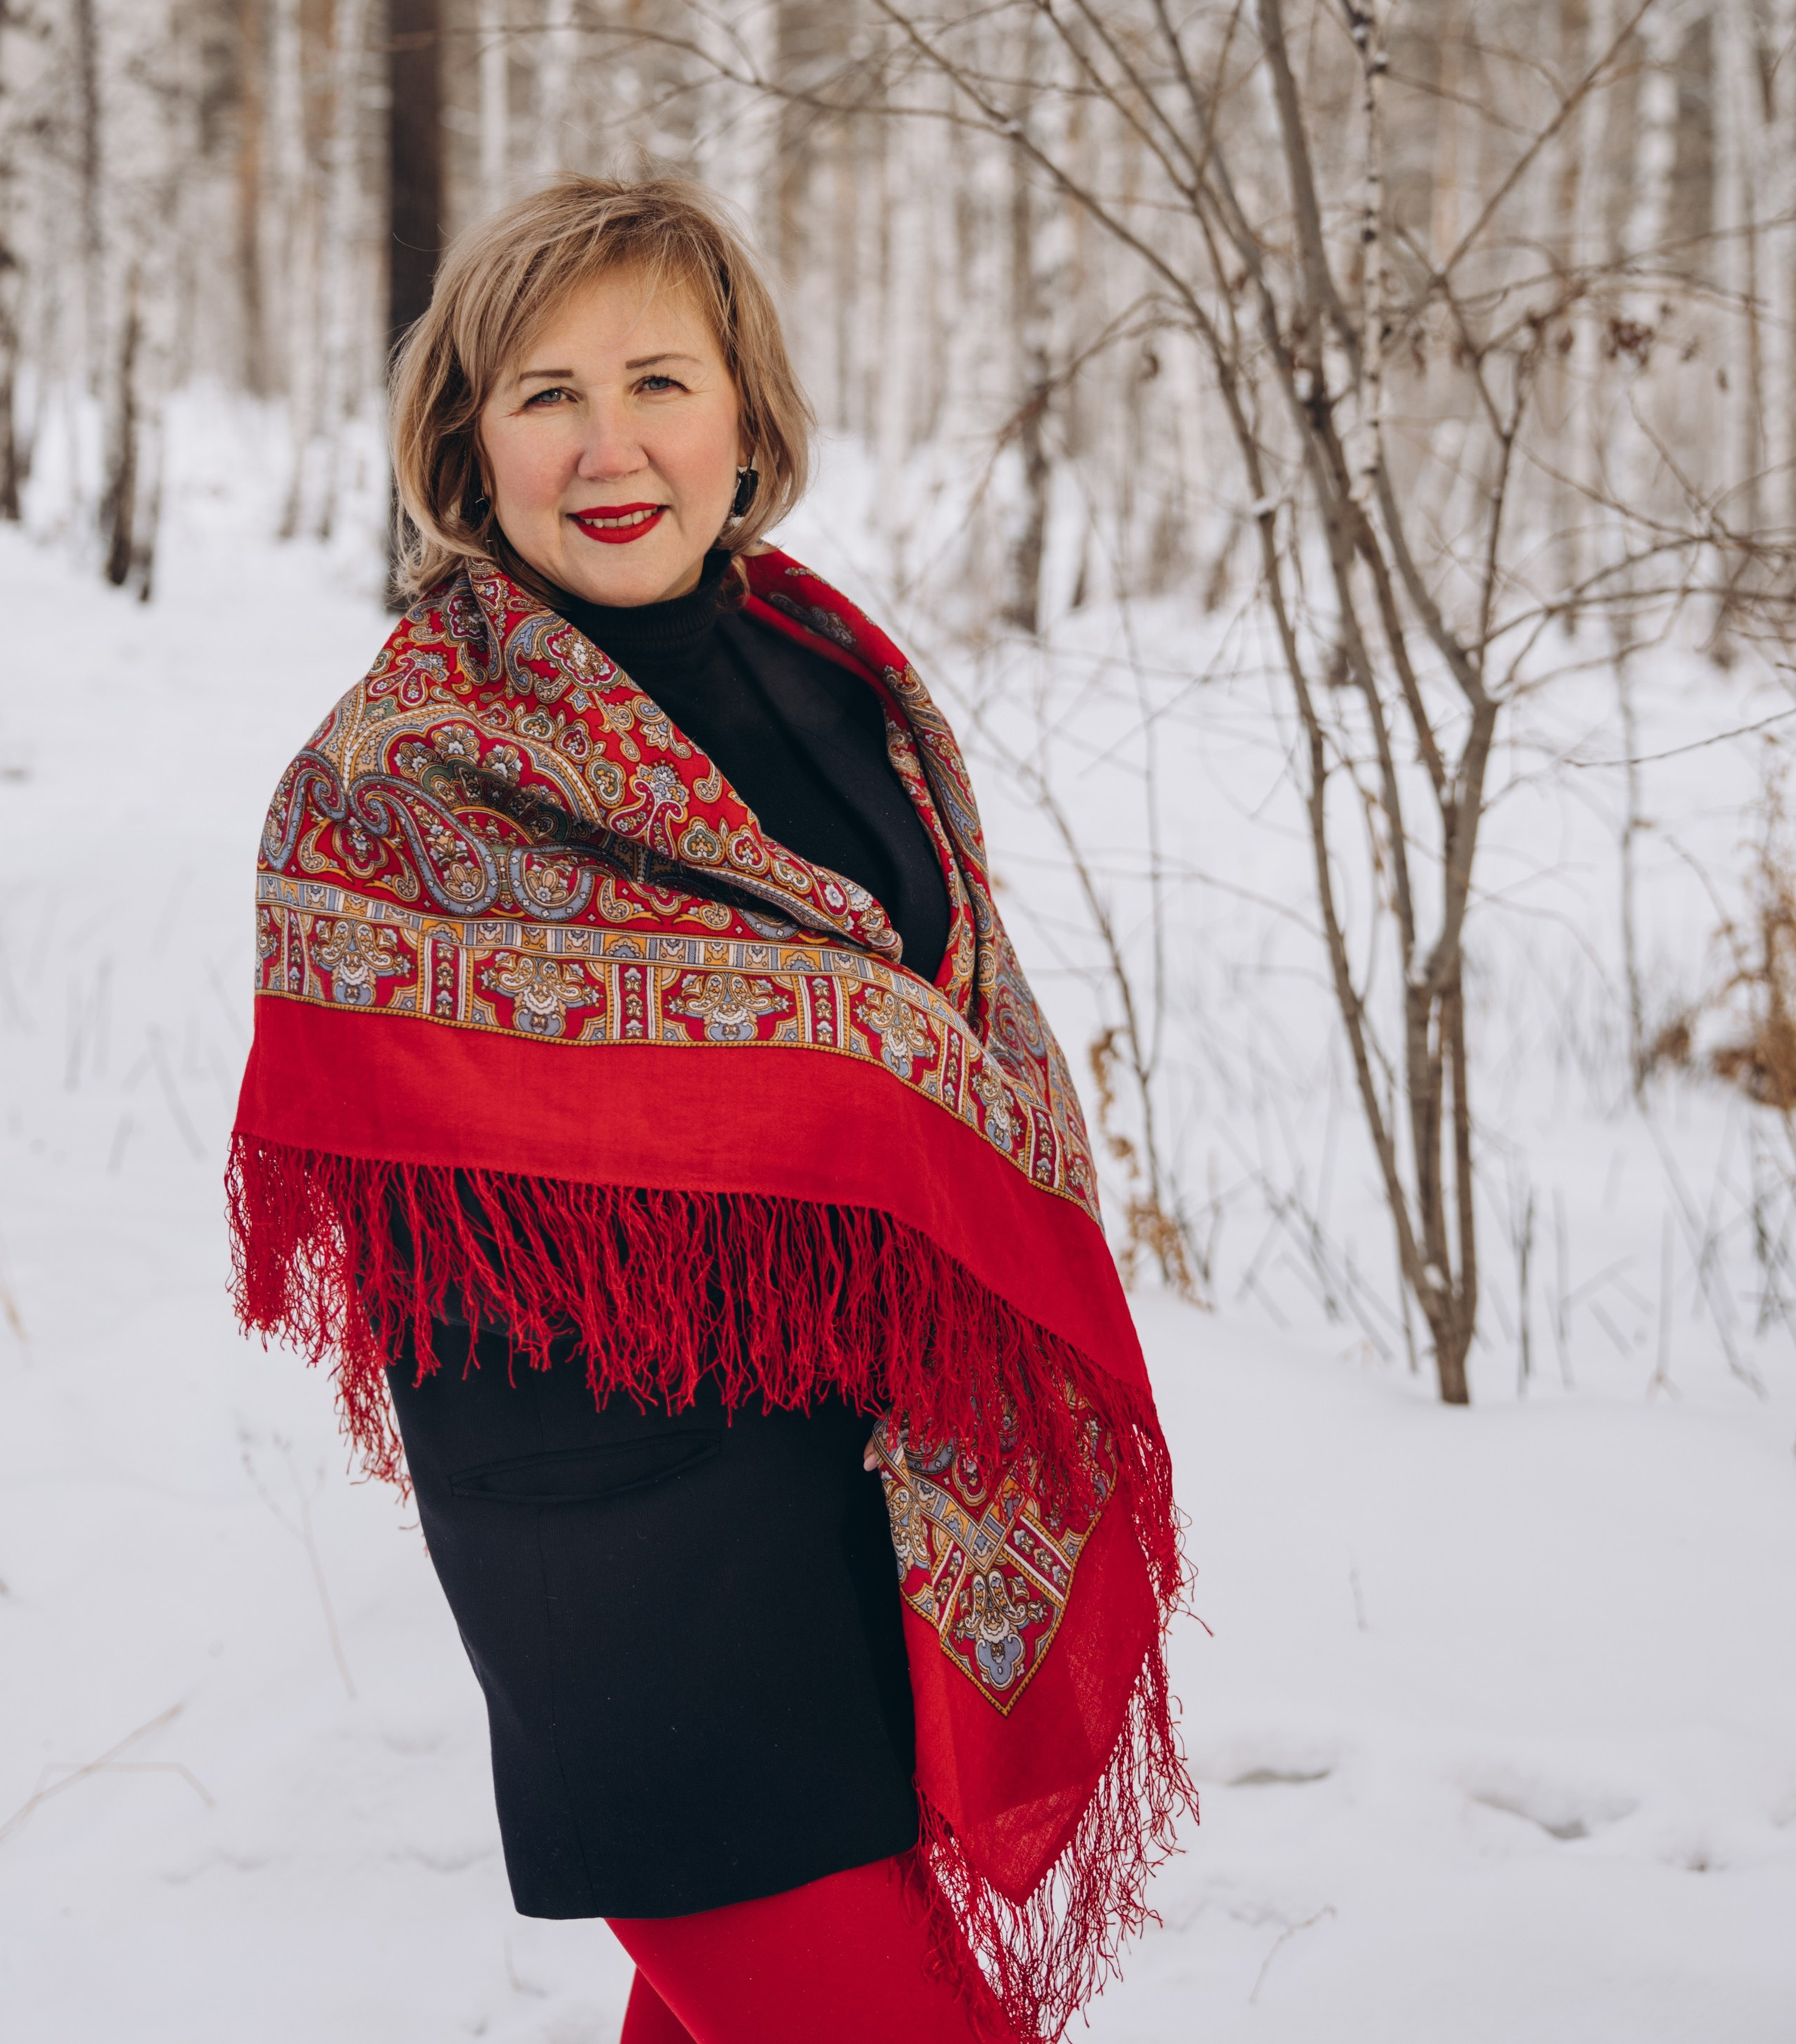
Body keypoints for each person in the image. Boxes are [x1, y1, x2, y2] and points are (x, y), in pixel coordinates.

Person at [227, 177, 1189, 2044]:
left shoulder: (836, 675)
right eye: (543, 395)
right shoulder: (402, 772)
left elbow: (925, 1018)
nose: (610, 447)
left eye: (658, 380)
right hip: (611, 1515)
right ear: (465, 438)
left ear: (743, 410)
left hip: (866, 1481)